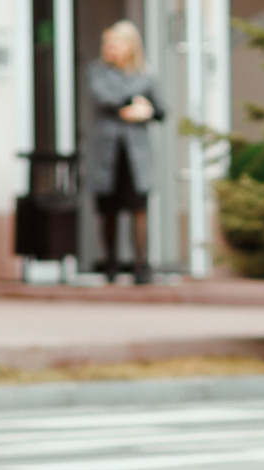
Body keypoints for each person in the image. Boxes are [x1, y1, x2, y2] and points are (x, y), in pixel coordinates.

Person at [84, 21, 162, 284]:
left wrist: (147, 110)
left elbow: (160, 109)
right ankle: (110, 264)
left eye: (115, 43)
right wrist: (135, 102)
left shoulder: (145, 74)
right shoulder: (97, 71)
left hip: (135, 154)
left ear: (130, 46)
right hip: (107, 152)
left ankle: (141, 265)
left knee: (138, 207)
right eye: (107, 43)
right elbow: (104, 98)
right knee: (109, 209)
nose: (110, 48)